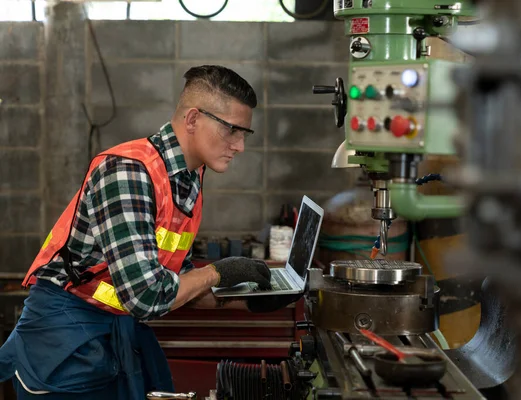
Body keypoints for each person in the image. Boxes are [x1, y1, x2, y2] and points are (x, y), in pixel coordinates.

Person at [0, 65, 300, 399]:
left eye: (245, 134)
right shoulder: (129, 172)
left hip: (111, 329)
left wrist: (249, 300)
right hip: (63, 338)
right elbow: (146, 296)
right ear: (192, 119)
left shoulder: (187, 177)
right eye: (233, 130)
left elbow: (177, 281)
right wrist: (218, 271)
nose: (240, 146)